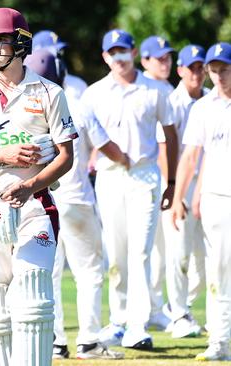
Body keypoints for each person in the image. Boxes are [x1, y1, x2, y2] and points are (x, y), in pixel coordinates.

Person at [0, 8, 77, 365]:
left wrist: (31, 185)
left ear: (21, 44)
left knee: (33, 299)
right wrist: (0, 153)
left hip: (35, 206)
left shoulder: (49, 93)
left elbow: (66, 158)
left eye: (0, 41)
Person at [24, 49, 125, 360]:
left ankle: (54, 340)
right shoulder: (78, 106)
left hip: (42, 200)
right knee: (90, 272)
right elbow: (108, 148)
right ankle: (90, 339)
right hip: (77, 199)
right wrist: (126, 159)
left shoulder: (26, 110)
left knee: (49, 273)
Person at [81, 29, 178, 350]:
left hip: (144, 175)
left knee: (140, 251)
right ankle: (119, 320)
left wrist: (173, 181)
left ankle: (138, 324)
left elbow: (170, 135)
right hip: (109, 177)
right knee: (116, 251)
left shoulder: (155, 90)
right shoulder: (94, 93)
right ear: (105, 57)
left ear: (134, 53)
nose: (119, 57)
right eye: (113, 52)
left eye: (124, 51)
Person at [172, 42, 231, 361]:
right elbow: (191, 156)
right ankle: (219, 341)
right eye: (214, 70)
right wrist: (180, 196)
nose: (219, 76)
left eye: (225, 70)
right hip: (218, 199)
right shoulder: (203, 108)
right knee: (219, 271)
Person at [162, 44, 209, 339]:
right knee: (178, 255)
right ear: (180, 70)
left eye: (200, 67)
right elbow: (164, 148)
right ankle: (178, 313)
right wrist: (174, 192)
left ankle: (178, 307)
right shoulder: (172, 101)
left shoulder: (212, 99)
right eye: (191, 67)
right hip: (179, 185)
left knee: (204, 262)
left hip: (209, 186)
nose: (196, 73)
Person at [139, 35, 176, 331]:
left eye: (168, 58)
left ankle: (156, 307)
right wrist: (169, 184)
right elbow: (163, 146)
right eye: (159, 58)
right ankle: (150, 309)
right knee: (151, 251)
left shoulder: (166, 89)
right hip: (154, 179)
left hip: (166, 180)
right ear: (145, 61)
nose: (166, 63)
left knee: (163, 253)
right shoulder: (147, 89)